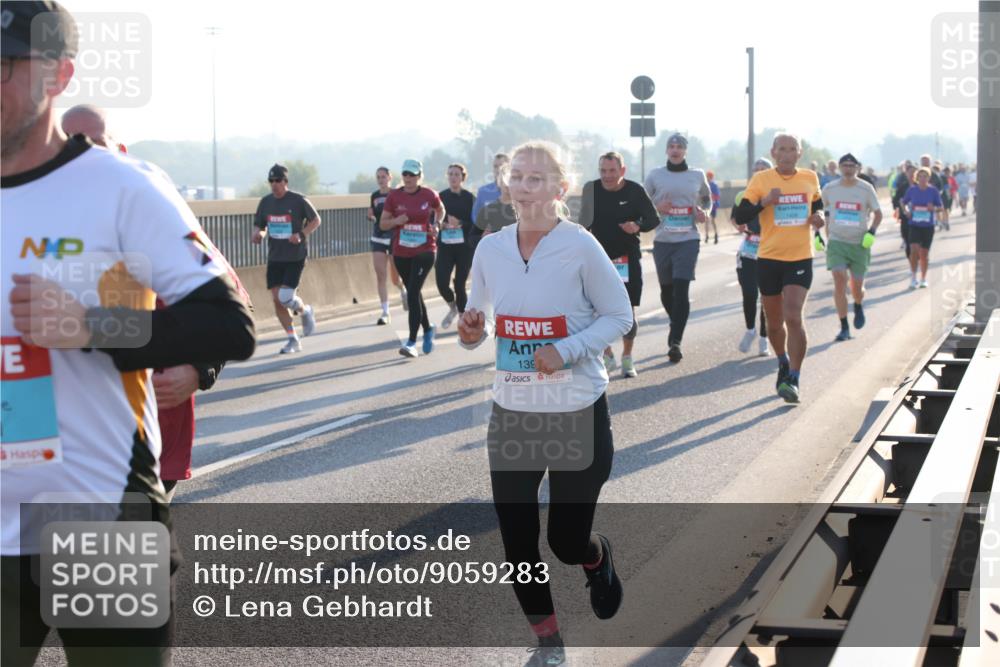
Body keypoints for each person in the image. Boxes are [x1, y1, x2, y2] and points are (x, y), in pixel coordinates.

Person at [1, 4, 256, 665]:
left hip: (101, 520)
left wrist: (88, 326)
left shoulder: (120, 188)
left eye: (2, 67)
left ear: (58, 75)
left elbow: (227, 323)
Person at [458, 141, 631, 666]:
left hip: (576, 408)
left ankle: (595, 558)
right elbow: (479, 321)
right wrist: (471, 328)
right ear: (507, 185)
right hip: (514, 411)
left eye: (538, 177)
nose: (526, 185)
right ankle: (549, 643)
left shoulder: (580, 246)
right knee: (516, 545)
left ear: (560, 189)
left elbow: (618, 316)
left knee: (564, 540)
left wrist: (568, 349)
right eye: (518, 176)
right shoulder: (490, 248)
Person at [61, 104, 234, 503]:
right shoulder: (37, 221)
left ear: (119, 151)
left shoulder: (159, 219)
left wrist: (200, 368)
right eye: (69, 147)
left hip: (149, 426)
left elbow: (228, 307)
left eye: (94, 146)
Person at [734, 133, 825, 403]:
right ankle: (783, 361)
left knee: (793, 315)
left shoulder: (809, 177)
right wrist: (764, 202)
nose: (786, 154)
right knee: (774, 324)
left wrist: (820, 217)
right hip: (769, 257)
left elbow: (818, 205)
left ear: (800, 152)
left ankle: (794, 377)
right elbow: (740, 216)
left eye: (792, 149)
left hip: (800, 257)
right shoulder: (761, 180)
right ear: (774, 152)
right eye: (781, 149)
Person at [578, 151, 660, 378]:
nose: (607, 176)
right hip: (598, 259)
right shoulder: (591, 189)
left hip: (626, 259)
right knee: (594, 312)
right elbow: (582, 222)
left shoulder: (635, 191)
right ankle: (607, 354)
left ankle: (627, 356)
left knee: (627, 313)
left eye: (612, 171)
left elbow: (653, 219)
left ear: (622, 171)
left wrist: (637, 225)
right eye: (603, 171)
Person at [644, 133, 712, 363]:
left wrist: (704, 212)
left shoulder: (697, 174)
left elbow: (706, 199)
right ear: (666, 150)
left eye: (679, 147)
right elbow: (642, 204)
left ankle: (675, 341)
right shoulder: (655, 175)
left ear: (685, 151)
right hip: (663, 239)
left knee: (681, 289)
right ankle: (677, 322)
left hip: (688, 238)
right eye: (671, 146)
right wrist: (656, 205)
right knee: (667, 292)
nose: (675, 150)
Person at [380, 158, 446, 358]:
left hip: (425, 250)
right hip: (401, 251)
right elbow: (383, 224)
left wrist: (437, 224)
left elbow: (440, 210)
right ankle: (427, 328)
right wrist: (396, 221)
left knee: (413, 292)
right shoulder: (394, 196)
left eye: (412, 174)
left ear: (419, 176)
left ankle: (410, 342)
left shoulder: (429, 194)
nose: (408, 178)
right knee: (413, 292)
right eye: (405, 174)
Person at [252, 164, 320, 354]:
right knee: (277, 299)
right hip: (275, 256)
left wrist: (301, 234)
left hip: (294, 256)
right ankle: (292, 338)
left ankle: (305, 311)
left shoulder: (298, 200)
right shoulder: (265, 202)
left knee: (285, 297)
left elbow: (316, 220)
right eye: (271, 181)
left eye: (278, 181)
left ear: (285, 182)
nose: (274, 185)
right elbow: (260, 225)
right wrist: (258, 234)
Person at [821, 154, 883, 342]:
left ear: (857, 168)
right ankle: (844, 327)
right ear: (839, 168)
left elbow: (878, 214)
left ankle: (857, 303)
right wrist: (821, 230)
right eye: (844, 165)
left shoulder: (865, 188)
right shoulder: (830, 189)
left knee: (856, 286)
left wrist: (871, 232)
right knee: (839, 279)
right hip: (837, 242)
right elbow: (821, 209)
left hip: (859, 244)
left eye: (851, 165)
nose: (848, 168)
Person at [732, 158, 773, 357]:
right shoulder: (744, 195)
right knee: (749, 293)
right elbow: (734, 217)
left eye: (762, 170)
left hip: (770, 251)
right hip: (748, 250)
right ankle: (751, 330)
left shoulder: (776, 194)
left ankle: (764, 338)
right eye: (755, 170)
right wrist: (738, 225)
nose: (758, 172)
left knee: (766, 297)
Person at [435, 163, 476, 329]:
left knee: (460, 284)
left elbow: (476, 224)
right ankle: (452, 307)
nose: (453, 177)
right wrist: (442, 224)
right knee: (442, 282)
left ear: (463, 178)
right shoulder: (440, 197)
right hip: (445, 245)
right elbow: (433, 218)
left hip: (464, 247)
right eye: (450, 174)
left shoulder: (469, 198)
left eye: (457, 174)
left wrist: (460, 223)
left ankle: (462, 319)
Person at [369, 166, 406, 325]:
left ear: (390, 178)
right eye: (378, 177)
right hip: (378, 236)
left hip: (393, 237)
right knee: (380, 275)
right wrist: (370, 215)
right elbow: (372, 211)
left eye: (383, 177)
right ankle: (385, 311)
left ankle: (402, 288)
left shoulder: (396, 194)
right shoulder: (375, 196)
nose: (381, 179)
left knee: (394, 277)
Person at [900, 167, 944, 289]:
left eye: (925, 176)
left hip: (928, 226)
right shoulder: (912, 190)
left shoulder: (933, 191)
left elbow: (941, 207)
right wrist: (907, 211)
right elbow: (903, 203)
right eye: (921, 176)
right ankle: (913, 278)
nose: (923, 178)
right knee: (914, 250)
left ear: (929, 178)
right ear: (917, 178)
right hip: (914, 224)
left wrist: (933, 209)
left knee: (924, 254)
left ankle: (923, 278)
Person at [471, 153, 510, 224]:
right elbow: (475, 215)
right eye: (495, 166)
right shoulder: (483, 191)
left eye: (501, 166)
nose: (498, 169)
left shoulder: (517, 191)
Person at [892, 164, 917, 259]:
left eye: (914, 172)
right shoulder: (902, 187)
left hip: (919, 217)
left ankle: (917, 255)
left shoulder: (920, 186)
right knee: (907, 239)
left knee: (917, 241)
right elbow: (896, 200)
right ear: (906, 174)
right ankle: (911, 259)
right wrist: (897, 208)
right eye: (910, 172)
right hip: (905, 217)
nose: (912, 174)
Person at [705, 170, 721, 244]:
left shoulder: (714, 185)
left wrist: (711, 198)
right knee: (707, 220)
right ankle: (707, 236)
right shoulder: (705, 184)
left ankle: (715, 235)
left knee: (712, 221)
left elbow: (717, 196)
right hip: (707, 205)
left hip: (713, 205)